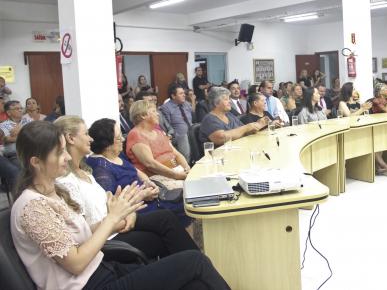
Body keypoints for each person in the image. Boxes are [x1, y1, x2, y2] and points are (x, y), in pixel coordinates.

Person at [11, 121, 230, 290]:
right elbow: (75, 262)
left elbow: (83, 235)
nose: (67, 156)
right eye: (60, 152)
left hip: (103, 271)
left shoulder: (53, 191)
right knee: (195, 262)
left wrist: (120, 214)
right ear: (36, 161)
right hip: (91, 284)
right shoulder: (32, 207)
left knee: (195, 282)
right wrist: (112, 219)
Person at [55, 116, 196, 250]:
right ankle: (193, 262)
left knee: (166, 219)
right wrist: (125, 214)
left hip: (118, 221)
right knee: (166, 226)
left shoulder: (85, 170)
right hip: (109, 237)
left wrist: (141, 190)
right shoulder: (80, 177)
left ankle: (192, 262)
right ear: (70, 138)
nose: (90, 138)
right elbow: (83, 232)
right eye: (86, 134)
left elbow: (110, 202)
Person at [126, 100, 190, 185]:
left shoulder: (159, 132)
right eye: (153, 111)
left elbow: (177, 154)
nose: (158, 114)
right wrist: (176, 175)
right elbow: (150, 164)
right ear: (143, 115)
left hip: (176, 172)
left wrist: (186, 167)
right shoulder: (135, 134)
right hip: (158, 178)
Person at [199, 87, 267, 146]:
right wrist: (247, 127)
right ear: (216, 103)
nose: (230, 102)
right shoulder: (209, 119)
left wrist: (257, 125)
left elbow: (244, 131)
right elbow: (221, 138)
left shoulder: (229, 115)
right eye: (226, 99)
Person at [160, 83, 193, 162]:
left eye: (184, 93)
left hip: (191, 133)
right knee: (183, 136)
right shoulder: (166, 108)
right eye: (181, 93)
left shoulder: (187, 104)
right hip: (177, 136)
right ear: (173, 96)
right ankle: (186, 165)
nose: (184, 95)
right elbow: (167, 126)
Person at [370, 83, 387, 175]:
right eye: (385, 89)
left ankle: (378, 168)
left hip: (383, 125)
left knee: (380, 146)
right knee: (376, 146)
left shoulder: (385, 100)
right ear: (380, 91)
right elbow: (386, 111)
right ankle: (384, 166)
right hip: (375, 125)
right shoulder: (375, 100)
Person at [0, 100, 26, 168]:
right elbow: (7, 139)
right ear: (9, 112)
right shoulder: (3, 125)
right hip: (15, 155)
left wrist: (19, 131)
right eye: (17, 109)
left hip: (33, 151)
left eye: (21, 108)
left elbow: (36, 135)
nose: (20, 110)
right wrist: (26, 132)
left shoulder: (28, 120)